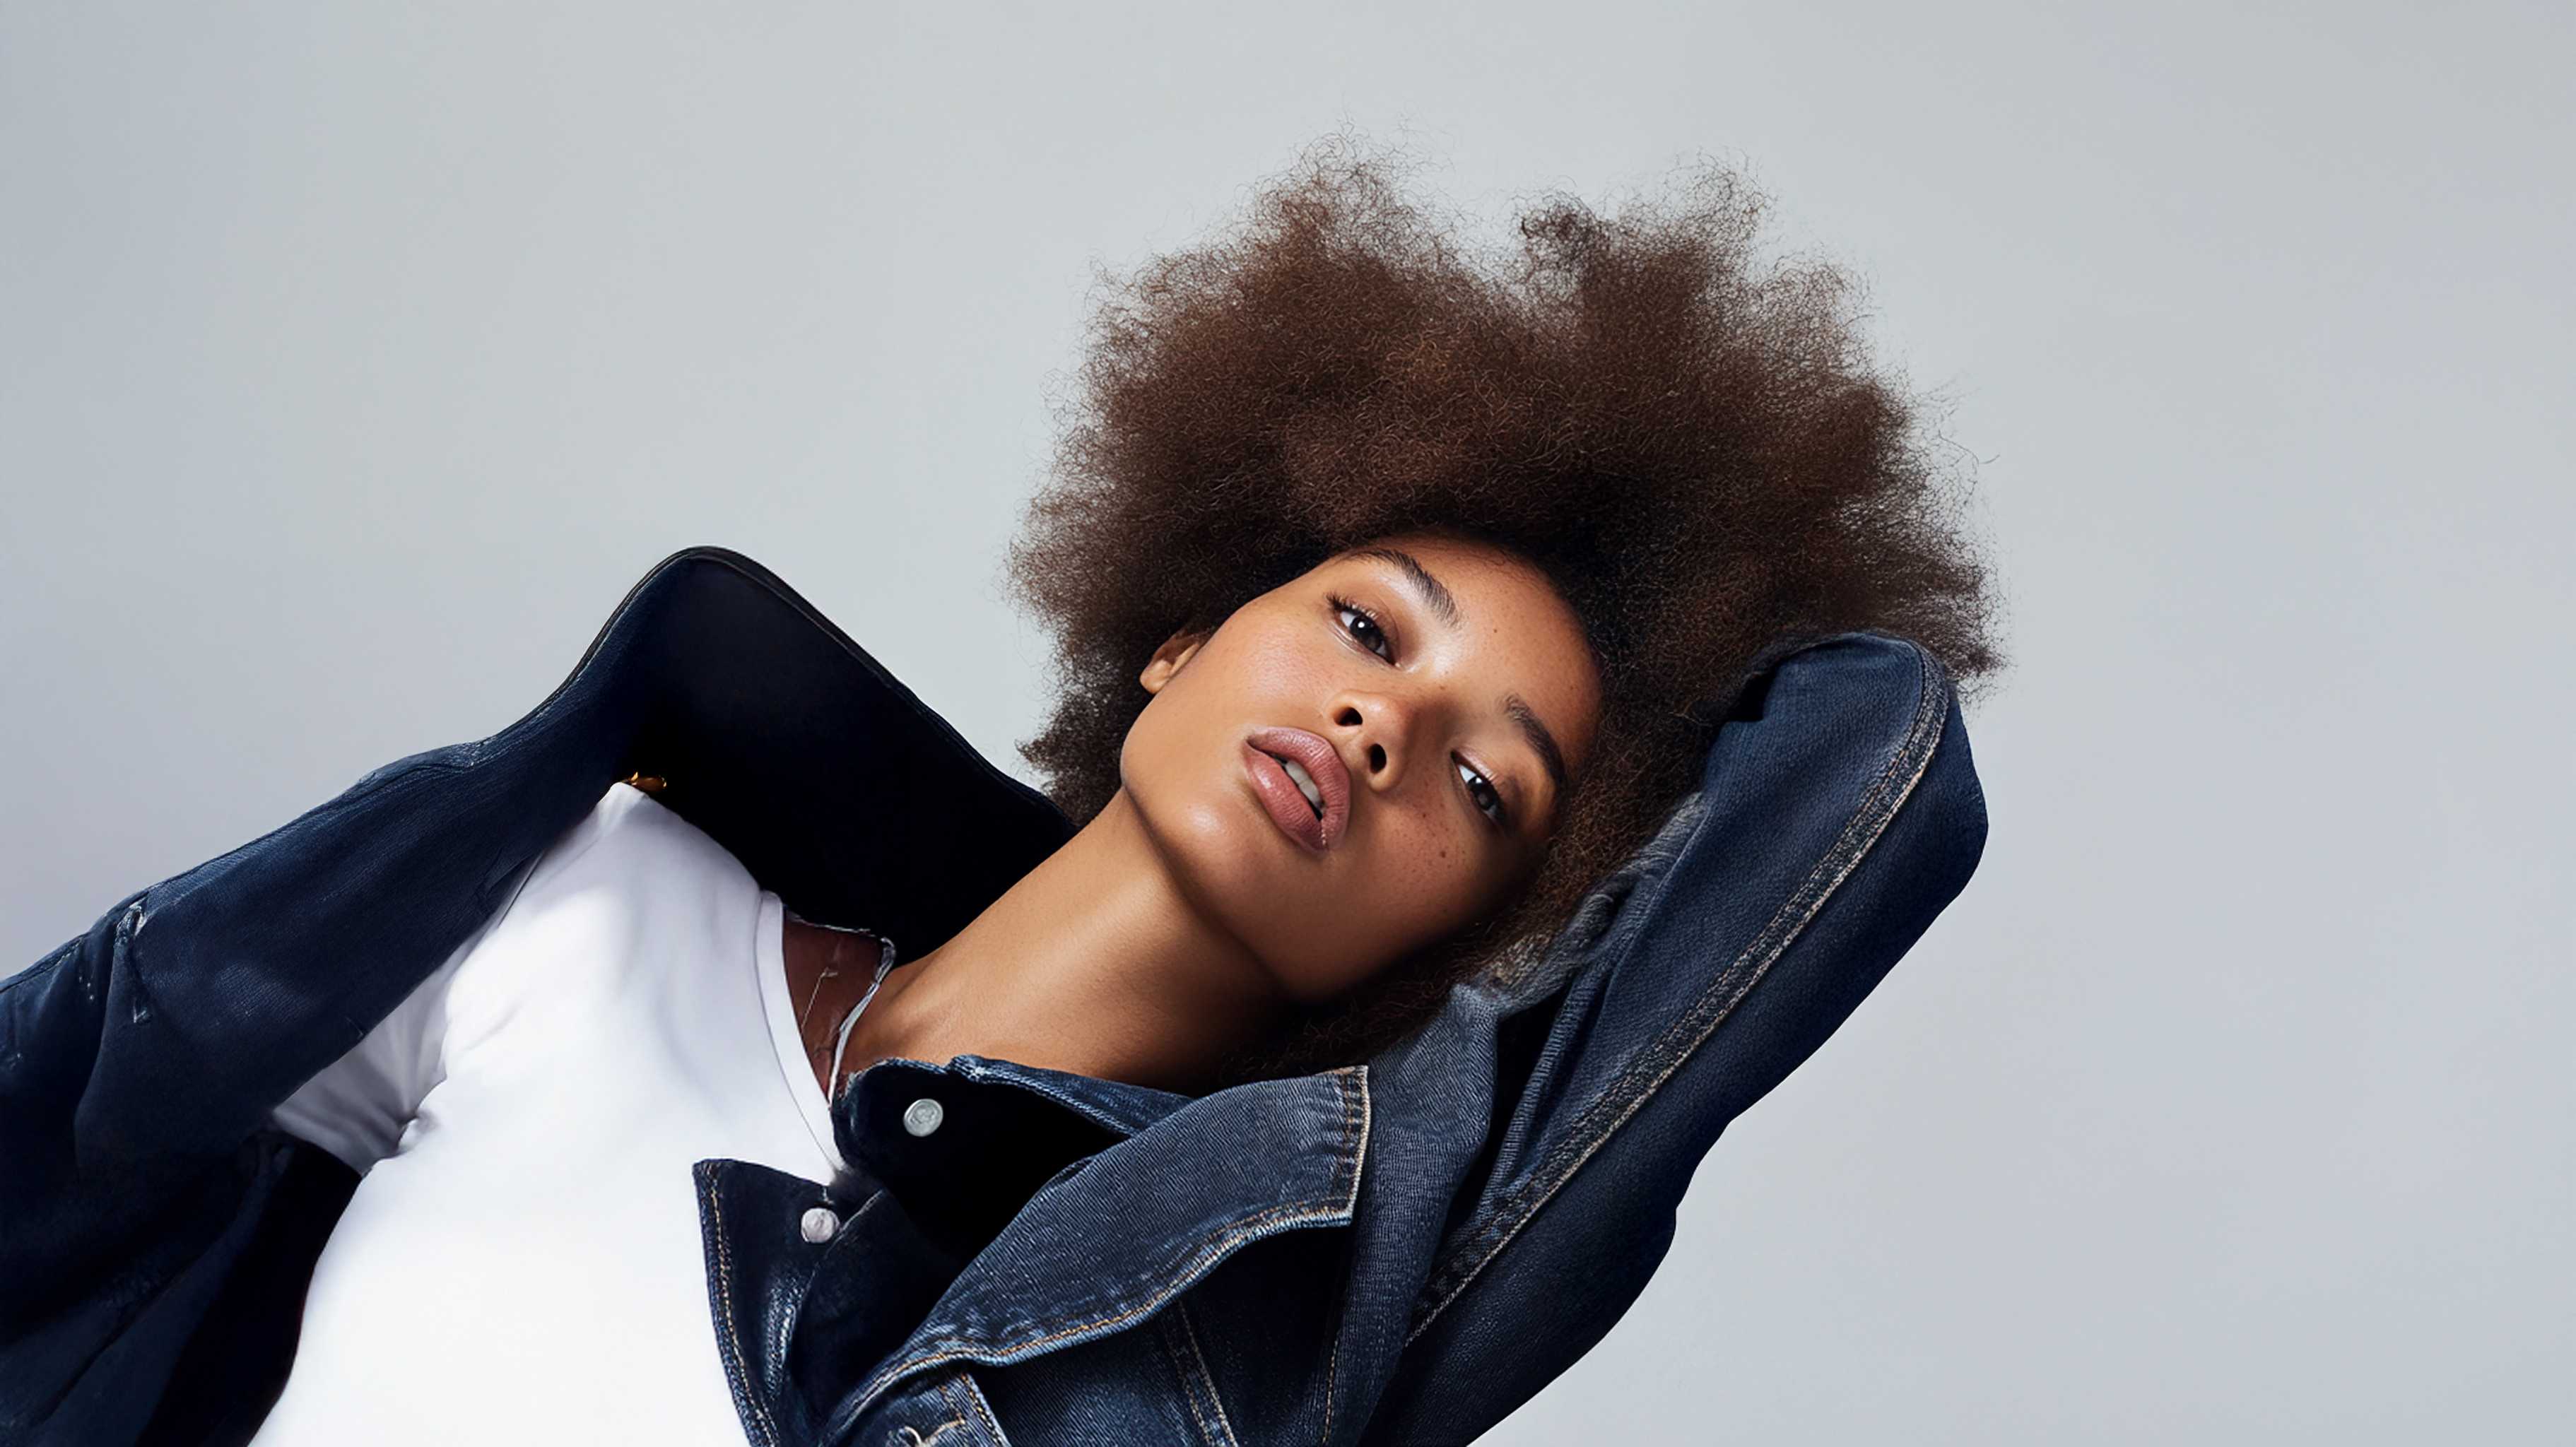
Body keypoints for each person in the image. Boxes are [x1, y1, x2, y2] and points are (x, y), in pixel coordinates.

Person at [1, 137, 2001, 1446]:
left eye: (1483, 784)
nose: (1385, 726)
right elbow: (79, 1151)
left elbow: (1876, 761)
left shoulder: (1260, 1297)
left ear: (1473, 941)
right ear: (1180, 637)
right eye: (1364, 626)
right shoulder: (598, 897)